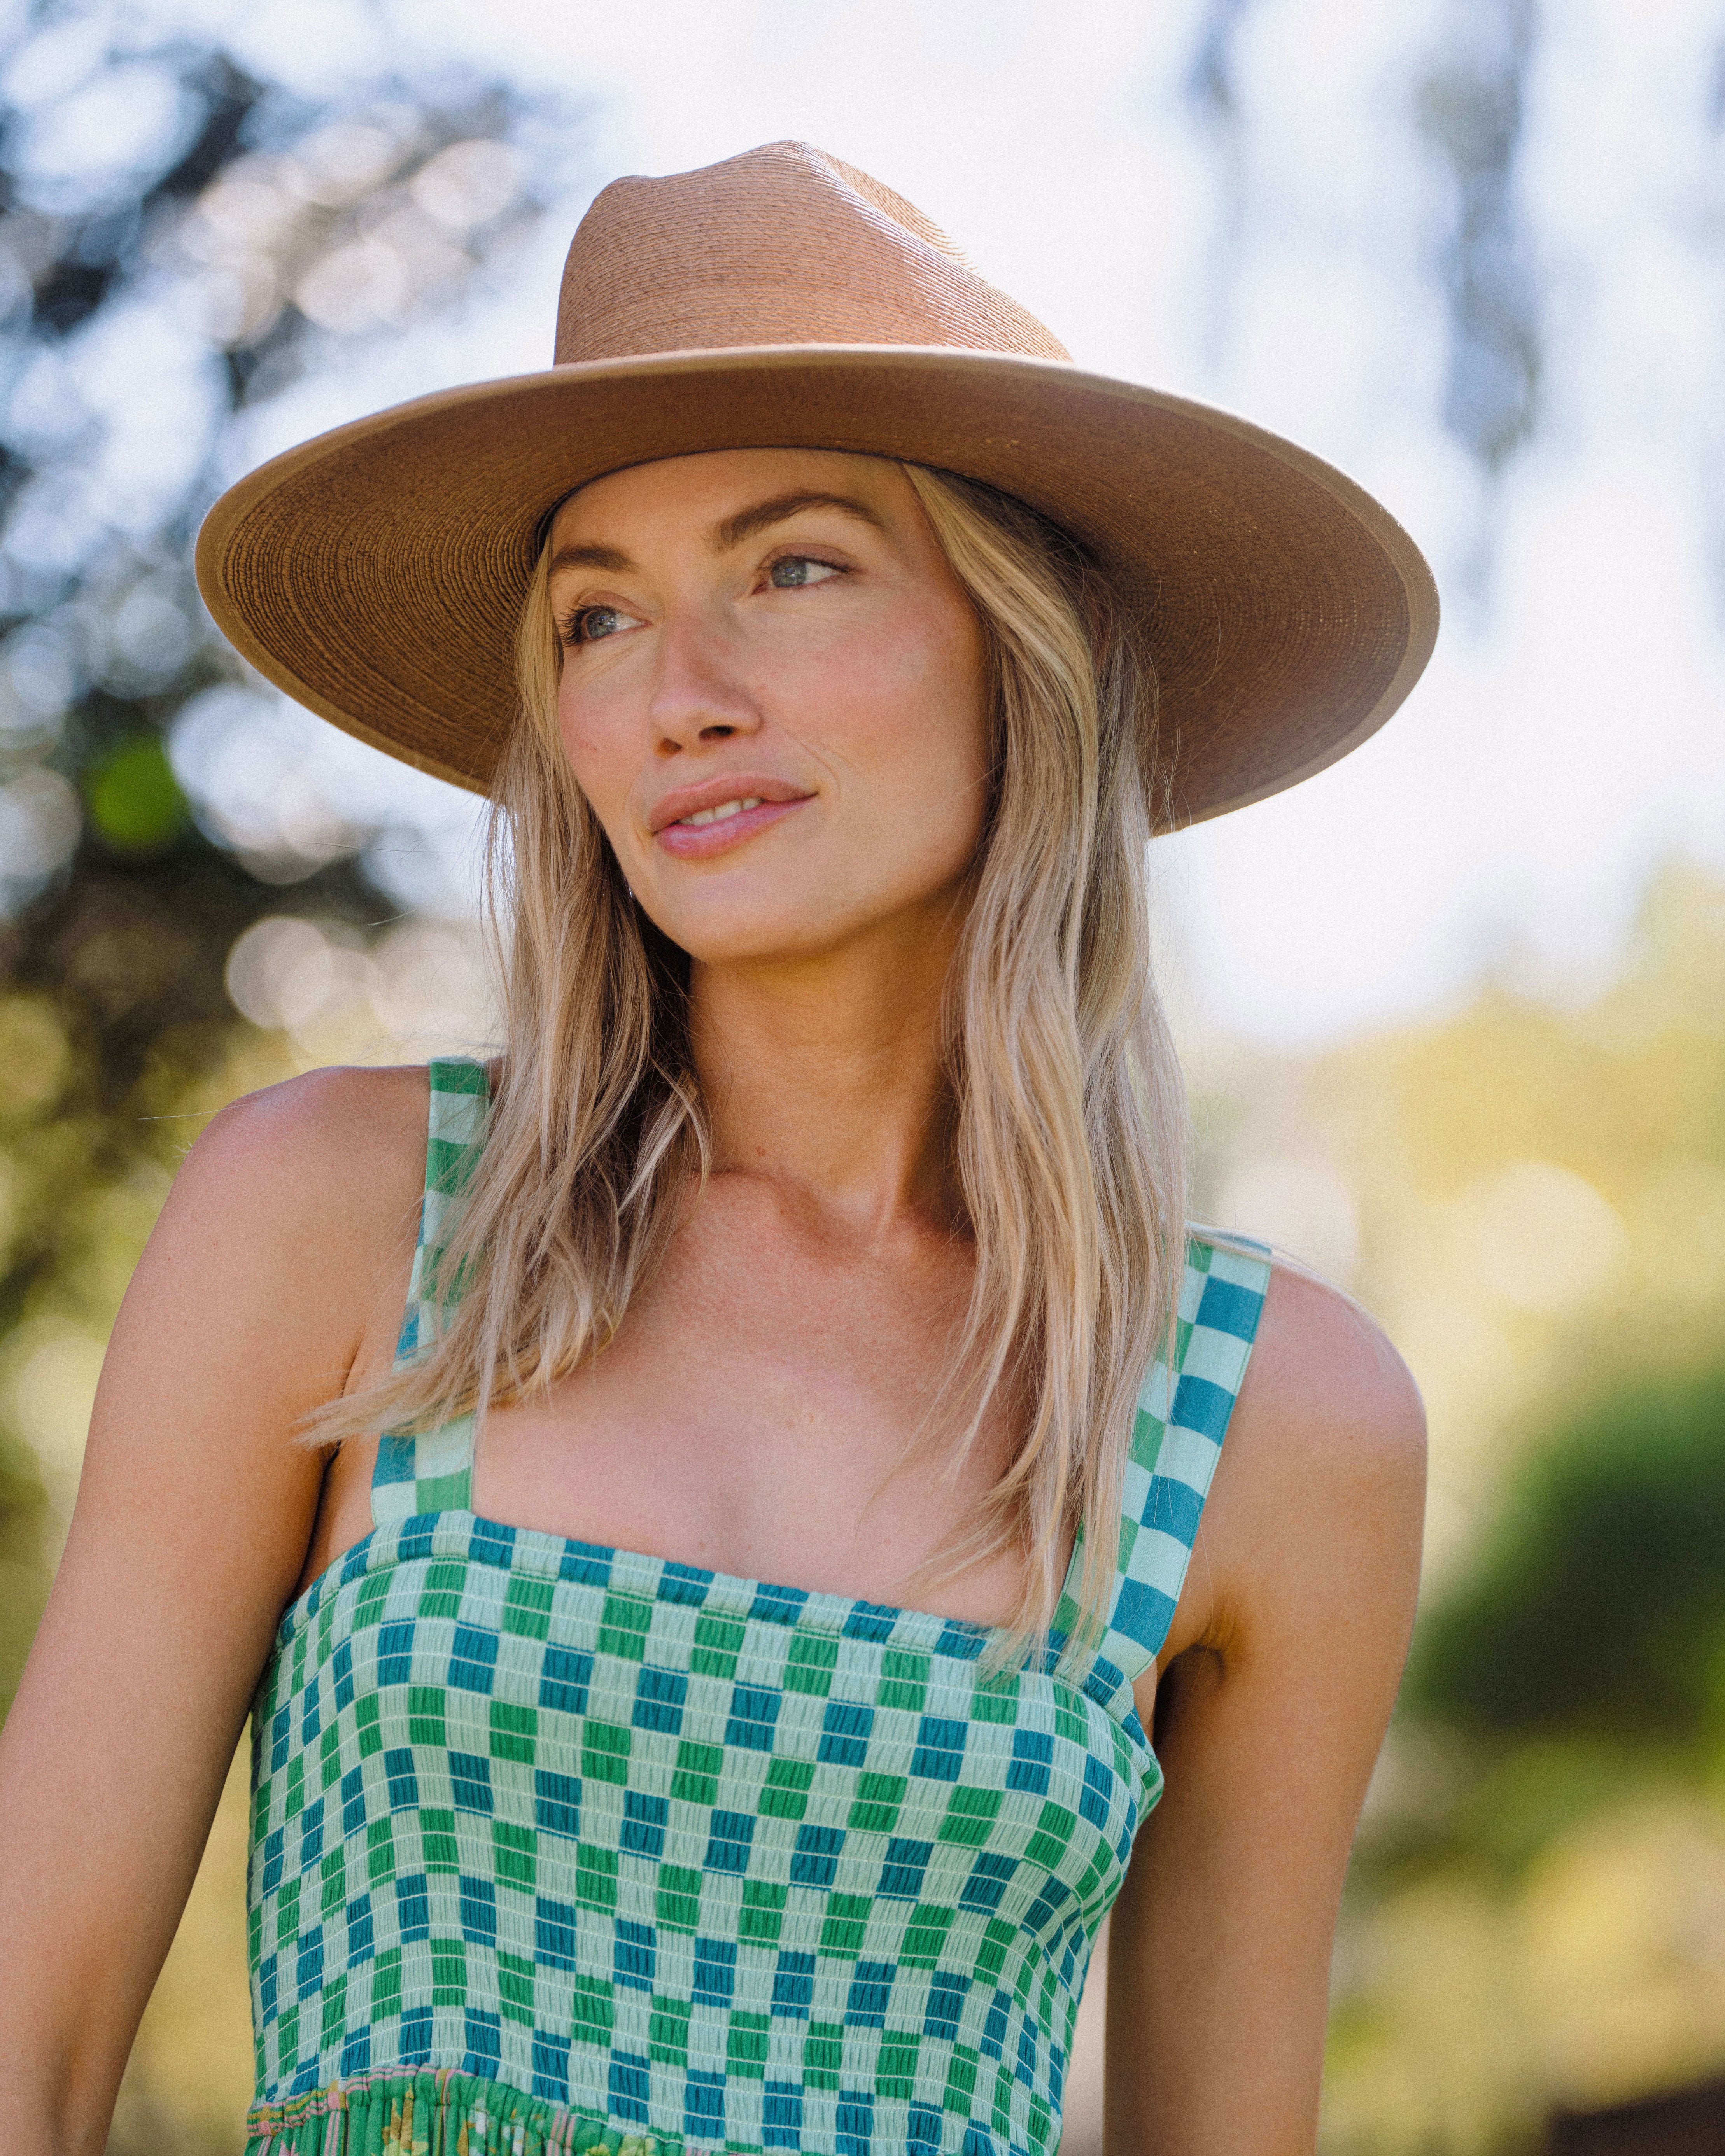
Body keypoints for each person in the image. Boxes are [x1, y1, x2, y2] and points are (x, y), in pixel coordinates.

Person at [0, 143, 1433, 2156]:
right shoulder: (344, 1222)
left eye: (792, 565)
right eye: (598, 616)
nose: (679, 696)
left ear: (1023, 644)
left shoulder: (1274, 1414)